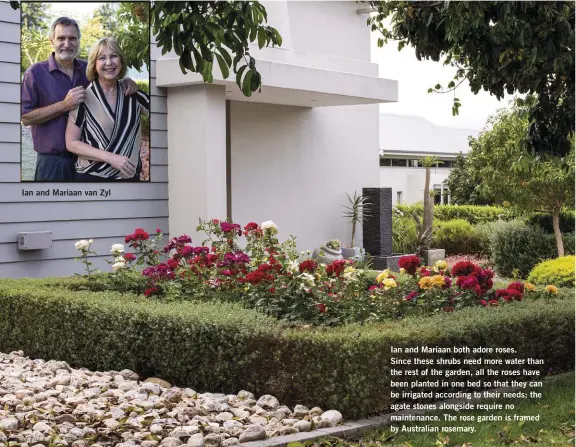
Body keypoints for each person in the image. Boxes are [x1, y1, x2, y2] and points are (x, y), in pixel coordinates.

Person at [21, 17, 138, 181]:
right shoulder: (35, 74)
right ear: (51, 41)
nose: (67, 43)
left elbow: (109, 81)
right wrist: (63, 105)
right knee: (51, 206)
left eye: (72, 38)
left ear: (78, 41)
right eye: (61, 38)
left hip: (87, 163)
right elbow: (25, 118)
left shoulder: (88, 70)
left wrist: (125, 81)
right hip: (53, 163)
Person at [65, 37, 149, 181]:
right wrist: (111, 158)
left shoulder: (133, 94)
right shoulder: (82, 98)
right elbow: (71, 143)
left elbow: (164, 114)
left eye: (114, 56)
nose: (109, 62)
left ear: (121, 61)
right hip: (91, 178)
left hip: (128, 178)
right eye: (102, 58)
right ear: (94, 64)